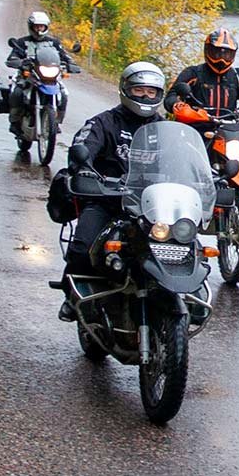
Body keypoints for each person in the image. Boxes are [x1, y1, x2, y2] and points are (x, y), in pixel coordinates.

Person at [55, 61, 166, 320]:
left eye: (152, 91)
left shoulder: (165, 129)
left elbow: (189, 159)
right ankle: (72, 297)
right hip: (108, 199)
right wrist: (82, 167)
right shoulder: (104, 123)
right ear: (126, 89)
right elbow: (82, 148)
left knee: (185, 245)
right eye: (139, 90)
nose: (146, 96)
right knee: (83, 246)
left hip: (155, 206)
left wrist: (210, 179)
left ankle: (179, 298)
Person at [164, 26, 239, 133]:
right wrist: (180, 107)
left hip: (229, 131)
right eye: (217, 53)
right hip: (194, 130)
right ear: (208, 50)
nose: (222, 59)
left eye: (227, 54)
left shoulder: (238, 75)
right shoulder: (193, 73)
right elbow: (171, 97)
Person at [4, 9, 80, 145]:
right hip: (28, 76)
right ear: (31, 27)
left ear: (46, 27)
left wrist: (71, 64)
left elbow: (65, 55)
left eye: (42, 26)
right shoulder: (22, 43)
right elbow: (12, 58)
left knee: (63, 94)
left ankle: (55, 123)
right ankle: (15, 122)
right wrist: (21, 62)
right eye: (36, 26)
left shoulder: (54, 43)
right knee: (17, 93)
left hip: (49, 77)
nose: (39, 29)